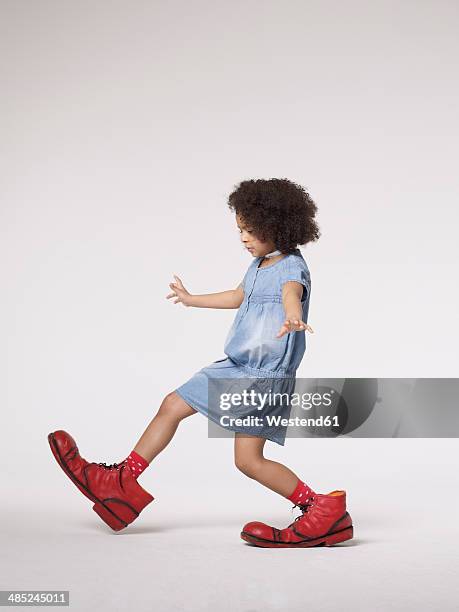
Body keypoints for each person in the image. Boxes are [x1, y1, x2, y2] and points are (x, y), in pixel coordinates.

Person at [48, 178, 353, 547]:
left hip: (262, 376)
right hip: (238, 367)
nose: (243, 237)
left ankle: (122, 484)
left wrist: (292, 315)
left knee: (211, 433)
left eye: (251, 230)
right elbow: (239, 296)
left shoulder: (291, 267)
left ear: (279, 227)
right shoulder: (259, 264)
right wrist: (193, 299)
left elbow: (292, 293)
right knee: (211, 433)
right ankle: (321, 509)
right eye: (240, 229)